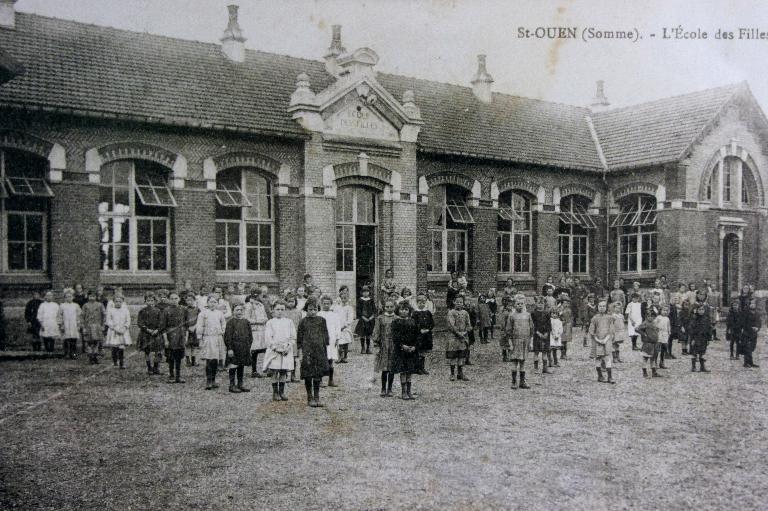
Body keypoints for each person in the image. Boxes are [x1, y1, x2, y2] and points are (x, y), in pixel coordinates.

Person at [297, 298, 330, 407]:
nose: (313, 311)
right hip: (308, 352)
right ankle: (309, 397)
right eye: (310, 309)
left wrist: (325, 349)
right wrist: (300, 352)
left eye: (315, 309)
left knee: (317, 374)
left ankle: (317, 397)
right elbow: (299, 339)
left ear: (318, 309)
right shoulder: (303, 322)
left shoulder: (322, 320)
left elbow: (325, 336)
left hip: (319, 351)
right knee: (308, 374)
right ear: (306, 309)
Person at [263, 301, 296, 400]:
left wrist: (288, 346)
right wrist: (275, 348)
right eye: (278, 309)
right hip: (275, 350)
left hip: (286, 350)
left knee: (283, 371)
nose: (280, 312)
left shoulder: (289, 322)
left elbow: (293, 336)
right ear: (273, 310)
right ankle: (275, 392)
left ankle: (282, 392)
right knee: (275, 371)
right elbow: (268, 337)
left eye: (282, 309)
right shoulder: (270, 322)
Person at [196, 294, 227, 390]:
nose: (212, 304)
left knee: (215, 360)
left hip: (217, 338)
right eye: (211, 302)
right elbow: (200, 326)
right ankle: (208, 381)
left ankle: (213, 380)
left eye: (215, 302)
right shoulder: (203, 314)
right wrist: (200, 339)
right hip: (208, 338)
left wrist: (222, 331)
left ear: (217, 303)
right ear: (207, 303)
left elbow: (223, 324)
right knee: (209, 360)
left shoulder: (219, 313)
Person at [391, 301, 419, 400]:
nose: (404, 311)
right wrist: (402, 346)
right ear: (398, 311)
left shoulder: (413, 321)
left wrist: (414, 346)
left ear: (409, 311)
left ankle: (409, 391)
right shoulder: (395, 322)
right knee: (403, 370)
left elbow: (417, 335)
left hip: (411, 349)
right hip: (401, 350)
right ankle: (403, 392)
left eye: (406, 309)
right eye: (401, 309)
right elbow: (395, 337)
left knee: (410, 370)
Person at [222, 303, 252, 394]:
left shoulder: (246, 322)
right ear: (233, 311)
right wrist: (230, 348)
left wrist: (248, 347)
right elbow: (227, 337)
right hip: (234, 349)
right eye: (237, 310)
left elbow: (250, 336)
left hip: (244, 348)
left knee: (241, 365)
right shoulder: (230, 322)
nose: (239, 312)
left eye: (241, 310)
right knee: (233, 365)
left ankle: (240, 384)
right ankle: (232, 385)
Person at [505, 298, 533, 389]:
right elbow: (508, 331)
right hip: (515, 341)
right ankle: (513, 381)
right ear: (514, 305)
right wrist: (510, 343)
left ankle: (522, 381)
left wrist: (530, 342)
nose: (520, 305)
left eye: (521, 303)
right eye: (518, 304)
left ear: (524, 304)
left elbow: (531, 329)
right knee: (514, 362)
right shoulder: (511, 316)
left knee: (523, 362)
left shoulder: (528, 315)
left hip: (525, 341)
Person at [372, 298, 397, 397]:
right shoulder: (380, 318)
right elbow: (377, 332)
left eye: (391, 306)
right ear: (384, 307)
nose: (389, 308)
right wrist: (376, 344)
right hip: (383, 345)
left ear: (394, 307)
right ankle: (383, 388)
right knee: (384, 368)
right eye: (387, 306)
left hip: (393, 345)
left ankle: (390, 389)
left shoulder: (397, 318)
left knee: (391, 368)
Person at [162, 291, 187, 384]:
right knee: (171, 356)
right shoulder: (166, 310)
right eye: (172, 299)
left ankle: (178, 376)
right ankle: (171, 375)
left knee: (179, 356)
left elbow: (186, 324)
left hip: (180, 334)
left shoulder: (183, 309)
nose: (174, 300)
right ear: (168, 300)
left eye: (176, 298)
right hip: (170, 335)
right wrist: (165, 340)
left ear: (179, 299)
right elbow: (163, 327)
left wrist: (185, 337)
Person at [137, 292, 164, 376]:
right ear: (145, 301)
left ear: (155, 301)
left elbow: (162, 322)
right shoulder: (142, 311)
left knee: (158, 351)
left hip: (156, 333)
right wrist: (147, 329)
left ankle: (156, 367)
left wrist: (157, 330)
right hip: (146, 334)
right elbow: (140, 323)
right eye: (148, 300)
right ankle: (149, 368)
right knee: (147, 351)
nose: (150, 302)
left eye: (152, 301)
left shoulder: (158, 311)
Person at [588, 301, 616, 384]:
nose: (602, 308)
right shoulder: (594, 318)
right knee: (598, 358)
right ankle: (600, 376)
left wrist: (606, 339)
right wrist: (598, 340)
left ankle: (610, 377)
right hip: (597, 341)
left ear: (606, 307)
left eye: (604, 306)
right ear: (597, 307)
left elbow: (611, 331)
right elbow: (591, 331)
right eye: (600, 306)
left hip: (606, 340)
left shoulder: (610, 318)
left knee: (607, 358)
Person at [446, 295, 471, 382]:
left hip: (463, 337)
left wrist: (465, 332)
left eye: (461, 302)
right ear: (454, 302)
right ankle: (452, 374)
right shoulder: (451, 312)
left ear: (463, 303)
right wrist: (457, 333)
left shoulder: (465, 313)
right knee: (453, 356)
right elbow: (451, 325)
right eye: (457, 302)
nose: (459, 304)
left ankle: (460, 373)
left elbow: (468, 324)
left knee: (461, 356)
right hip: (453, 337)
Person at [318, 295, 341, 387]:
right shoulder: (319, 314)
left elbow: (337, 327)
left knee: (330, 360)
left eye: (328, 303)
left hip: (331, 339)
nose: (326, 305)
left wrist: (337, 338)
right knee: (320, 360)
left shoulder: (334, 315)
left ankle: (331, 380)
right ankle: (320, 380)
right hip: (321, 339)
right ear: (321, 304)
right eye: (324, 304)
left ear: (331, 304)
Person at [104, 294, 131, 368]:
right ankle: (115, 361)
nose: (118, 303)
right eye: (116, 301)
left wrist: (125, 328)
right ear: (113, 302)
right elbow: (108, 321)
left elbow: (128, 320)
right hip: (114, 331)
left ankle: (121, 363)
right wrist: (115, 329)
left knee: (121, 347)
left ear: (122, 302)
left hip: (123, 331)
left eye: (120, 301)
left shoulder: (125, 310)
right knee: (115, 347)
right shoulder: (111, 310)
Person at [246, 294, 268, 378]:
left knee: (264, 349)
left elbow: (265, 317)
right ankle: (254, 370)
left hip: (262, 330)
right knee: (254, 351)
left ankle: (266, 369)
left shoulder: (261, 305)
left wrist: (264, 320)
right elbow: (247, 318)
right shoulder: (248, 306)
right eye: (253, 297)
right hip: (254, 330)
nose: (255, 299)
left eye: (257, 296)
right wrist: (258, 321)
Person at [283, 294, 304, 382]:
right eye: (289, 301)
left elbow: (300, 325)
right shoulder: (284, 312)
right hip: (286, 337)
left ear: (295, 302)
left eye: (292, 301)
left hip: (295, 337)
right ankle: (286, 375)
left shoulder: (298, 312)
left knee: (294, 357)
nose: (291, 303)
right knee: (286, 356)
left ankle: (293, 375)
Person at [412, 292, 434, 375]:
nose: (421, 304)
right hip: (418, 335)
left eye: (423, 302)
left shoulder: (428, 312)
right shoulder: (415, 313)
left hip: (426, 335)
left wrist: (428, 329)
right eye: (419, 302)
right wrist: (419, 330)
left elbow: (432, 323)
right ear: (417, 303)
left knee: (424, 352)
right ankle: (416, 368)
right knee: (418, 351)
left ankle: (422, 367)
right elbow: (413, 324)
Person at [81, 290, 105, 364]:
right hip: (88, 326)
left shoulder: (100, 305)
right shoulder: (85, 305)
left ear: (96, 297)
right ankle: (90, 357)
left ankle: (95, 356)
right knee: (89, 342)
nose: (92, 298)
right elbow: (82, 316)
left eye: (94, 296)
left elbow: (104, 315)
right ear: (88, 297)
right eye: (90, 296)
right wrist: (83, 327)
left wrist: (103, 325)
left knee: (97, 341)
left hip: (97, 326)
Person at [636, 308, 661, 378]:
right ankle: (644, 372)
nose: (651, 317)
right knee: (645, 358)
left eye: (652, 316)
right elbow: (637, 329)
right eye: (649, 316)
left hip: (654, 343)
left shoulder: (654, 323)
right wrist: (643, 334)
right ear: (646, 316)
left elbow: (656, 329)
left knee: (653, 358)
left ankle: (654, 372)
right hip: (648, 344)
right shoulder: (645, 323)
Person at [332, 286, 355, 363]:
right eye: (342, 298)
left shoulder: (349, 308)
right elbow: (335, 316)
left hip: (346, 328)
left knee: (346, 343)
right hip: (339, 327)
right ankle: (339, 357)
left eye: (345, 298)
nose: (344, 300)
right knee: (339, 343)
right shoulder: (337, 307)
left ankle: (345, 356)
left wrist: (345, 325)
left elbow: (350, 319)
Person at [688, 303, 712, 373]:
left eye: (702, 309)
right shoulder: (694, 318)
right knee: (694, 352)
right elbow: (691, 329)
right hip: (696, 338)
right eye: (699, 309)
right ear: (696, 310)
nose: (701, 311)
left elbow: (709, 329)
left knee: (702, 352)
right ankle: (693, 367)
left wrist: (709, 339)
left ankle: (702, 367)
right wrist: (692, 339)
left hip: (704, 338)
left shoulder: (706, 318)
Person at [59, 288, 82, 360]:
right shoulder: (62, 306)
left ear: (73, 297)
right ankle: (66, 353)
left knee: (73, 340)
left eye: (70, 296)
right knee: (66, 339)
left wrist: (78, 324)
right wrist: (61, 325)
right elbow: (59, 316)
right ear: (65, 298)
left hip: (73, 324)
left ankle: (73, 353)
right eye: (67, 297)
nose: (69, 298)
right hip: (65, 324)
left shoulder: (76, 305)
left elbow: (79, 316)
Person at [531, 300, 552, 374]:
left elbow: (549, 324)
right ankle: (536, 368)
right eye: (539, 303)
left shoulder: (547, 313)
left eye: (542, 303)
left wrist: (547, 333)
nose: (540, 305)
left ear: (544, 304)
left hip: (545, 335)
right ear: (536, 304)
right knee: (536, 352)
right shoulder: (533, 314)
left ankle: (545, 368)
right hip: (537, 335)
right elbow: (532, 325)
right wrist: (538, 333)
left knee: (545, 352)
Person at [355, 286, 376, 355]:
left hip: (370, 320)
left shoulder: (371, 300)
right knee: (362, 334)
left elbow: (374, 310)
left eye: (367, 292)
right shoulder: (360, 300)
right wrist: (363, 317)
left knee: (368, 334)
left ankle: (368, 348)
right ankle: (363, 347)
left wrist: (371, 317)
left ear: (369, 292)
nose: (365, 293)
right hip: (363, 319)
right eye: (364, 292)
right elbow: (358, 310)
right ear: (362, 293)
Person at [740, 300, 761, 368]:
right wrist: (751, 328)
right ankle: (746, 363)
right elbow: (743, 323)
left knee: (752, 348)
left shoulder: (757, 313)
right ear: (749, 305)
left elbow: (759, 322)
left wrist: (757, 328)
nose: (752, 305)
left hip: (754, 334)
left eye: (754, 303)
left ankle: (751, 362)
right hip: (747, 333)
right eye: (751, 303)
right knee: (747, 348)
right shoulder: (745, 313)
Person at [184, 294, 200, 367]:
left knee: (195, 345)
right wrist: (188, 327)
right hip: (187, 329)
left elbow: (200, 320)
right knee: (187, 345)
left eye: (191, 300)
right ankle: (188, 360)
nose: (189, 302)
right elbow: (183, 320)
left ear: (194, 300)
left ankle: (193, 360)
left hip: (195, 329)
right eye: (188, 300)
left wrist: (195, 326)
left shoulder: (198, 309)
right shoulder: (184, 310)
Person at [654, 305, 671, 370]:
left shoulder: (667, 318)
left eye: (666, 310)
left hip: (665, 334)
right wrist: (657, 329)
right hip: (659, 334)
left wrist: (669, 332)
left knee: (663, 349)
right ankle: (654, 363)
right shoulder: (658, 317)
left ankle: (662, 362)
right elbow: (654, 324)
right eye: (664, 310)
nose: (665, 312)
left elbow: (668, 326)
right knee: (657, 349)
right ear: (660, 310)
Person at [559, 296, 573, 360]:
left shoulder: (569, 310)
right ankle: (562, 354)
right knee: (562, 341)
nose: (566, 304)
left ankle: (567, 354)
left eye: (567, 303)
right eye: (564, 303)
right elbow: (557, 317)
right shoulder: (559, 309)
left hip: (568, 326)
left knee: (568, 341)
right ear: (562, 303)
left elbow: (570, 318)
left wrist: (570, 325)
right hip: (562, 326)